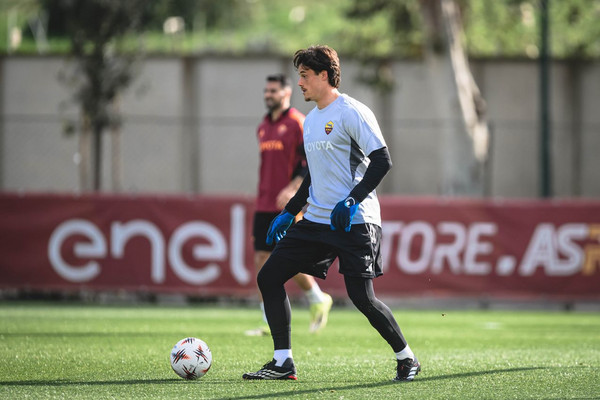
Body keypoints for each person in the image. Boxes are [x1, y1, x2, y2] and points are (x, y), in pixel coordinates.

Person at [243, 46, 420, 382]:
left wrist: (352, 201)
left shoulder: (352, 112)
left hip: (355, 220)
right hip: (317, 220)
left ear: (324, 75)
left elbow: (382, 160)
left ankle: (407, 358)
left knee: (362, 298)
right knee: (268, 277)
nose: (299, 83)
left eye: (305, 75)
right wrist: (290, 211)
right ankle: (282, 362)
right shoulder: (311, 121)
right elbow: (314, 175)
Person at [246, 73, 333, 337]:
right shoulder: (263, 126)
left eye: (273, 90)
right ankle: (267, 319)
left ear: (286, 93)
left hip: (288, 204)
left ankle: (317, 298)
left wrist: (293, 188)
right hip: (264, 201)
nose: (268, 95)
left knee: (288, 258)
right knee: (261, 259)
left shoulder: (298, 122)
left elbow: (309, 163)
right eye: (266, 90)